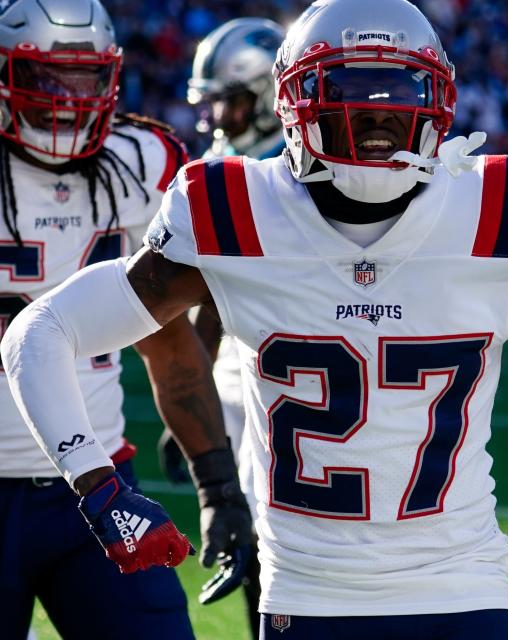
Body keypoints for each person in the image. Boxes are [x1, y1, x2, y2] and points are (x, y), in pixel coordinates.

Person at [1, 1, 508, 638]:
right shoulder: (234, 211)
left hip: (465, 589)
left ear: (437, 99)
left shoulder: (497, 213)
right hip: (312, 600)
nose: (376, 113)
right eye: (348, 89)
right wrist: (99, 490)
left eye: (398, 89)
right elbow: (39, 333)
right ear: (294, 101)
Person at [0, 0, 241, 637]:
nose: (68, 99)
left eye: (86, 78)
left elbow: (170, 351)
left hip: (99, 486)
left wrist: (220, 490)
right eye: (45, 78)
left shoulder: (140, 168)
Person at [158, 16, 286, 639]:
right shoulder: (224, 171)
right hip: (235, 364)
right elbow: (207, 295)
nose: (215, 120)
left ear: (267, 94)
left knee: (274, 528)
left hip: (288, 363)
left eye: (229, 103)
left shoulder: (292, 170)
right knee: (247, 528)